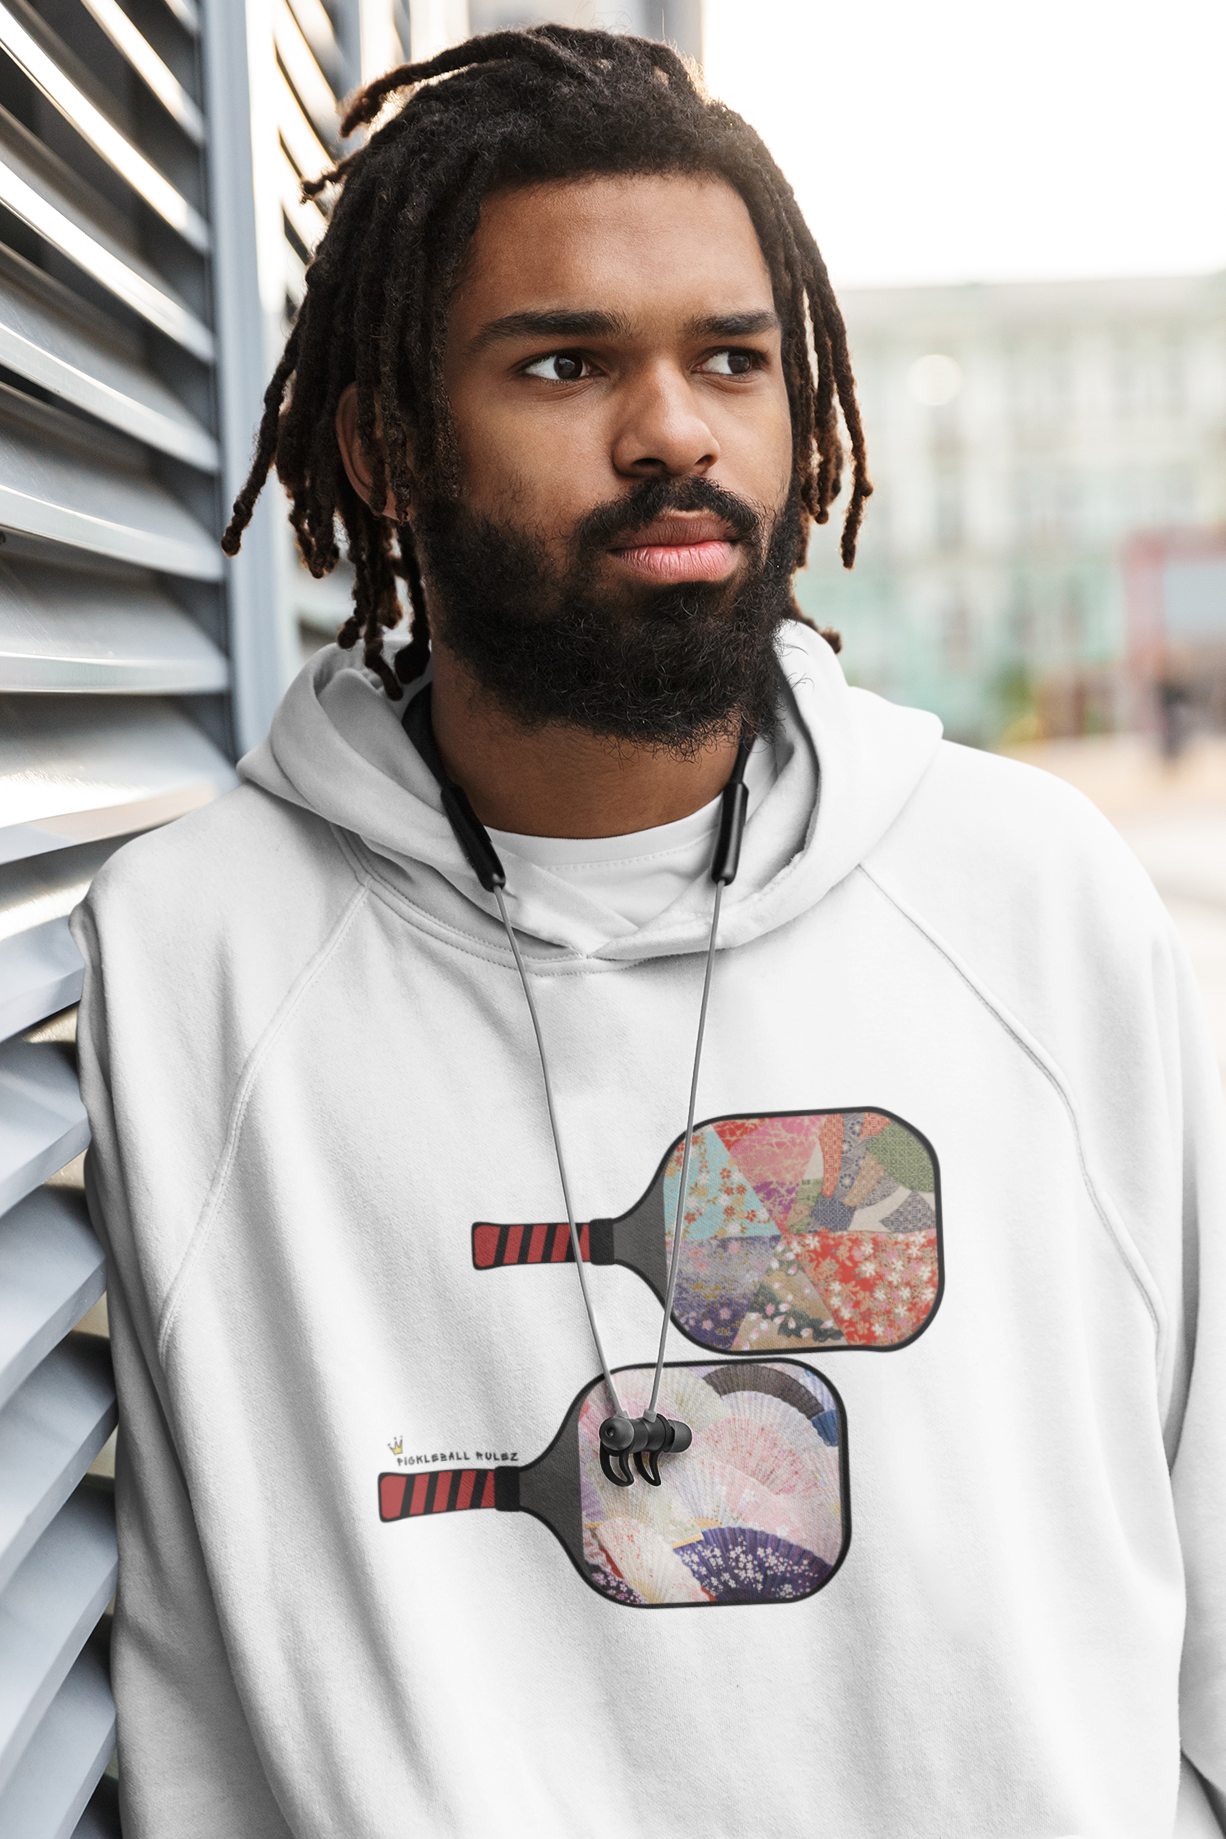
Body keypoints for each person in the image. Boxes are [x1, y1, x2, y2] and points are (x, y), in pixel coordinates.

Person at [72, 25, 1225, 1839]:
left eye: (731, 360)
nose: (673, 427)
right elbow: (196, 1663)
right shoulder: (191, 959)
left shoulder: (1034, 897)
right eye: (564, 360)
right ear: (381, 447)